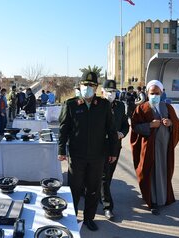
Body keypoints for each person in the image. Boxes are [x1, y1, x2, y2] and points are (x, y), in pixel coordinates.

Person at [58, 71, 118, 231]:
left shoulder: (104, 105)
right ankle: (72, 217)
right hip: (77, 156)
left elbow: (111, 130)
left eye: (91, 85)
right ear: (80, 86)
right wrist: (61, 149)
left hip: (98, 156)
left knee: (93, 189)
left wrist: (113, 151)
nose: (88, 88)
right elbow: (64, 129)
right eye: (85, 85)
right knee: (74, 188)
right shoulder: (71, 105)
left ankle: (89, 219)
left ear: (97, 87)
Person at [130, 80, 179, 215]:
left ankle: (163, 198)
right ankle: (151, 200)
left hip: (164, 149)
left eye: (157, 93)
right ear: (147, 93)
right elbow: (135, 127)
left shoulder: (168, 108)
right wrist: (150, 126)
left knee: (163, 171)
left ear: (162, 93)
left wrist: (170, 123)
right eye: (152, 93)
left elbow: (177, 125)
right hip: (149, 150)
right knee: (149, 172)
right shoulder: (141, 109)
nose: (154, 96)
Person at [100, 79, 129, 220]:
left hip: (115, 146)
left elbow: (125, 124)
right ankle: (107, 206)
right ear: (102, 92)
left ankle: (102, 195)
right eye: (109, 91)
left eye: (113, 92)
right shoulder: (97, 105)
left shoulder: (120, 106)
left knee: (108, 175)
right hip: (99, 146)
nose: (111, 94)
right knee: (103, 176)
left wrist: (122, 133)